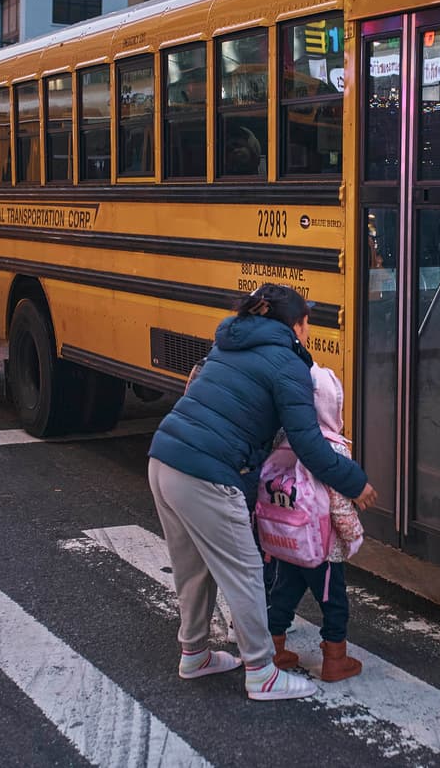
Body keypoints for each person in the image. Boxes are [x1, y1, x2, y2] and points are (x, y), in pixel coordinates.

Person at [148, 283, 377, 701]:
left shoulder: (228, 345)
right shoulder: (287, 362)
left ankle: (195, 654)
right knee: (246, 573)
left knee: (193, 569)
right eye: (307, 322)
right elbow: (308, 444)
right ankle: (261, 672)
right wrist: (355, 482)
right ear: (297, 324)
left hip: (164, 457)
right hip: (207, 473)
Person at [263, 363, 366, 683]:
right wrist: (353, 537)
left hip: (287, 539)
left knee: (283, 594)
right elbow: (339, 504)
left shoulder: (284, 439)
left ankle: (273, 649)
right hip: (322, 548)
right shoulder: (333, 449)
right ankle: (335, 659)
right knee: (333, 602)